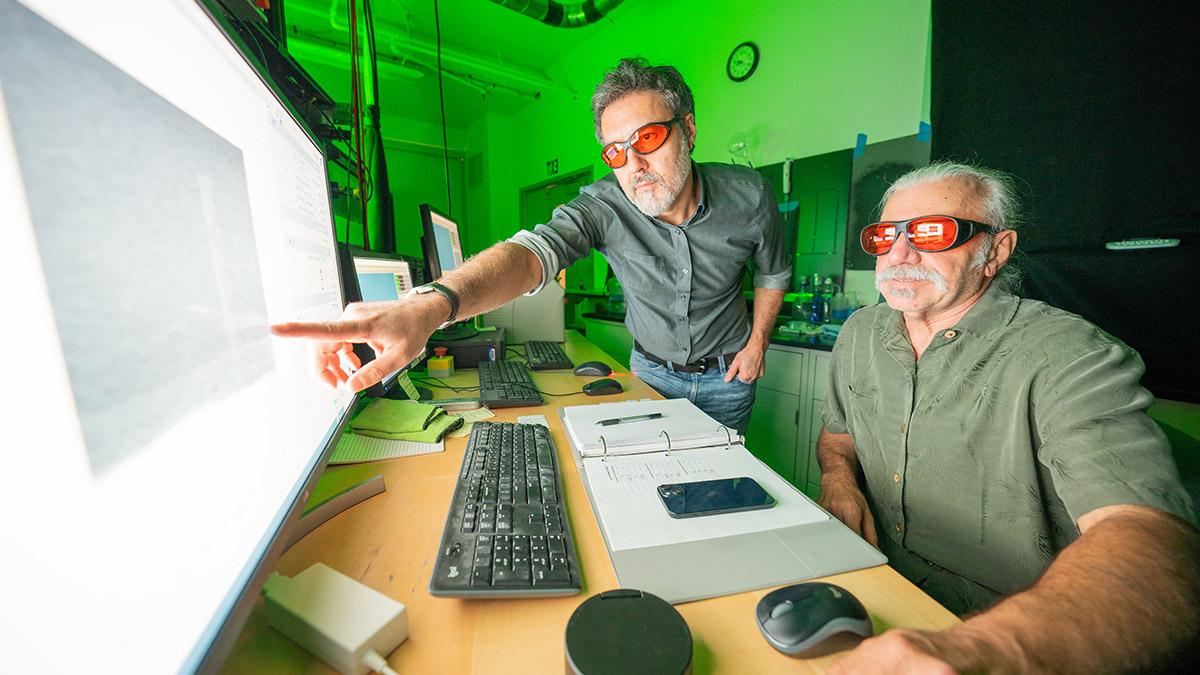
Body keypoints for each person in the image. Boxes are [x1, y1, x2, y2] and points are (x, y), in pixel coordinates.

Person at [818, 162, 1198, 672]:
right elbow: (837, 436)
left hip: (1013, 623)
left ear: (995, 251)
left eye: (932, 233)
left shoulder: (1071, 355)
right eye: (885, 235)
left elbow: (1152, 545)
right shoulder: (860, 332)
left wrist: (990, 651)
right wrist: (838, 480)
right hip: (875, 578)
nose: (898, 254)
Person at [273, 57, 790, 433]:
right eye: (615, 151)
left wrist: (758, 341)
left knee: (726, 494)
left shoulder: (750, 194)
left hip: (730, 374)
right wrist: (432, 305)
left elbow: (773, 272)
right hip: (650, 371)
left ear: (689, 130)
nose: (633, 165)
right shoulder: (605, 204)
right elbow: (533, 252)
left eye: (649, 138)